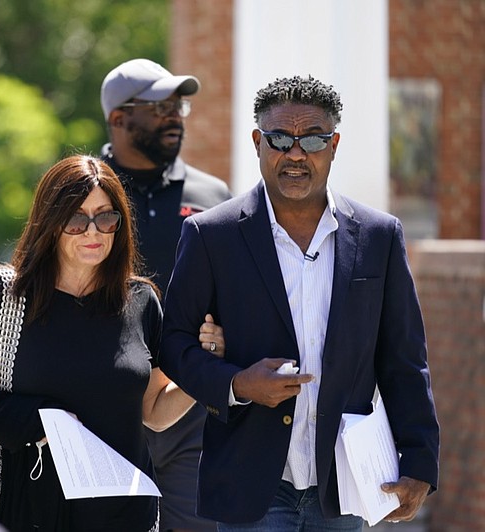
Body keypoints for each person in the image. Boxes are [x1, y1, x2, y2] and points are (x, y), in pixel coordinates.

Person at [160, 75, 440, 531]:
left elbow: (405, 359)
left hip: (345, 484)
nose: (295, 153)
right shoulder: (211, 235)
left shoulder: (378, 236)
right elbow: (173, 343)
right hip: (253, 484)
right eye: (280, 139)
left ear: (334, 145)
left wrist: (420, 460)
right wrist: (238, 384)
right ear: (257, 142)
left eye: (312, 139)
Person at [0, 155, 224, 531]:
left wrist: (204, 366)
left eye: (106, 218)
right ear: (51, 223)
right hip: (33, 510)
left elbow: (154, 413)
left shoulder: (141, 301)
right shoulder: (6, 296)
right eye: (76, 219)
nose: (93, 232)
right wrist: (41, 420)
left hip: (125, 514)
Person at [100, 57, 232, 532]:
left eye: (179, 105)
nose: (174, 115)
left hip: (186, 401)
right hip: (101, 403)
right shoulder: (84, 191)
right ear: (119, 118)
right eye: (159, 107)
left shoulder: (215, 194)